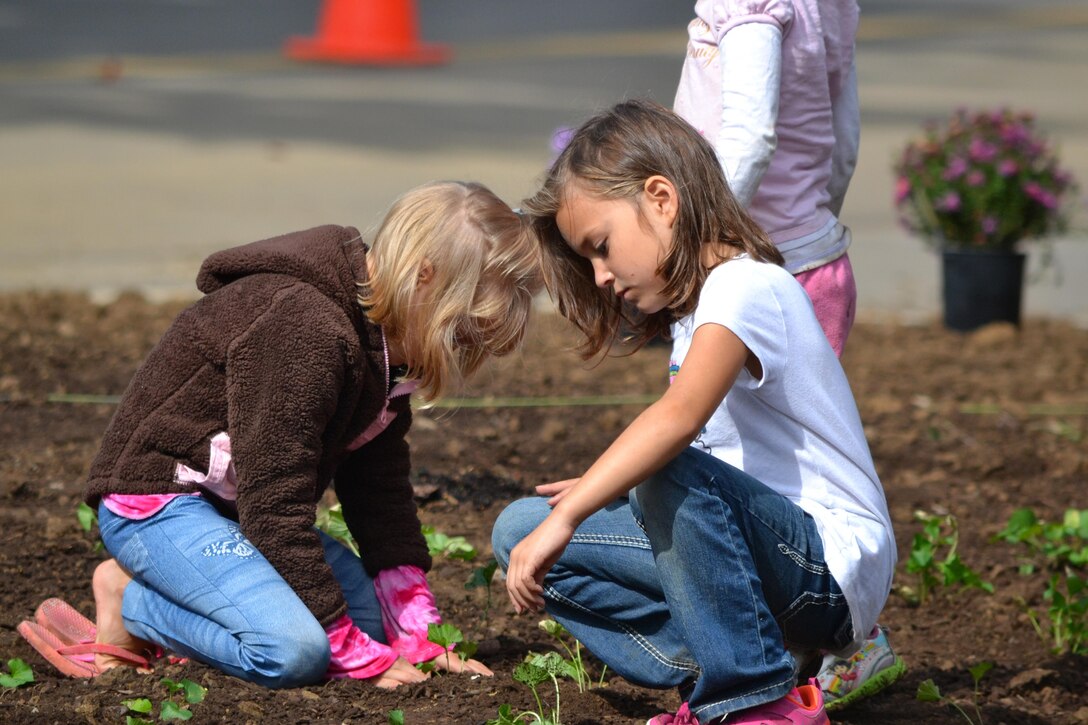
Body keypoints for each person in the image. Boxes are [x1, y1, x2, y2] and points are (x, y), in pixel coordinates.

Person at [18, 181, 540, 689]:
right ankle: (132, 601)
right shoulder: (303, 328)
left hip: (230, 512)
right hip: (159, 504)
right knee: (296, 651)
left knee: (373, 626)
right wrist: (347, 651)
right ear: (424, 278)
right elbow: (273, 503)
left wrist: (416, 629)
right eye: (462, 331)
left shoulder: (386, 348)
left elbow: (378, 489)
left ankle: (191, 598)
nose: (463, 350)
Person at [492, 100, 895, 725]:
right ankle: (731, 667)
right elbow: (714, 468)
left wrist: (582, 506)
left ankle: (756, 702)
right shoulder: (693, 317)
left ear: (661, 198)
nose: (599, 275)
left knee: (658, 469)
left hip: (826, 572)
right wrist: (615, 495)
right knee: (520, 531)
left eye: (601, 247)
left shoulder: (747, 286)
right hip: (766, 564)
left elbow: (677, 421)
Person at [672, 1, 905, 706]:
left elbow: (749, 132)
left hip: (751, 267)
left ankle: (809, 652)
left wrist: (690, 253)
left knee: (728, 464)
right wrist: (815, 223)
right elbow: (845, 131)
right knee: (797, 462)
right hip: (813, 259)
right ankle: (807, 644)